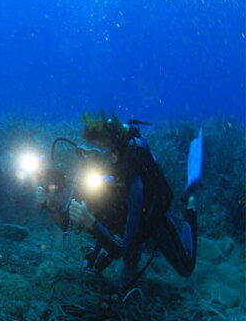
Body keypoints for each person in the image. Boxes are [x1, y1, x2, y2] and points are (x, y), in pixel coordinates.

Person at [36, 110, 198, 290]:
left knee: (185, 268)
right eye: (83, 153)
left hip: (148, 221)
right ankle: (133, 249)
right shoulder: (84, 173)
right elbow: (67, 224)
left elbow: (120, 249)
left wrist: (91, 223)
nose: (87, 161)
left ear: (112, 156)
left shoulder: (133, 184)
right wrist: (50, 205)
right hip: (117, 224)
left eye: (94, 154)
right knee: (111, 268)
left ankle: (191, 202)